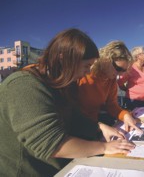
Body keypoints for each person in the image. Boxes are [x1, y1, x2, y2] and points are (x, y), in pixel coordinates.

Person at [0, 29, 136, 176]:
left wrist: (99, 127)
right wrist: (104, 147)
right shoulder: (24, 85)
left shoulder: (63, 85)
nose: (87, 72)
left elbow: (73, 117)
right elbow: (52, 144)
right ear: (63, 58)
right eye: (86, 66)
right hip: (27, 170)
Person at [78, 40, 142, 142]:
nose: (120, 74)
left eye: (123, 71)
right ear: (105, 59)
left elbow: (111, 105)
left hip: (95, 127)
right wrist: (98, 126)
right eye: (117, 68)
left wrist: (125, 115)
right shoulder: (82, 75)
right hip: (77, 129)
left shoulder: (111, 80)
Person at [117, 46, 144, 111]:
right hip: (132, 101)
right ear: (138, 56)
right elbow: (120, 82)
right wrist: (126, 89)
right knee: (134, 120)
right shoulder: (130, 68)